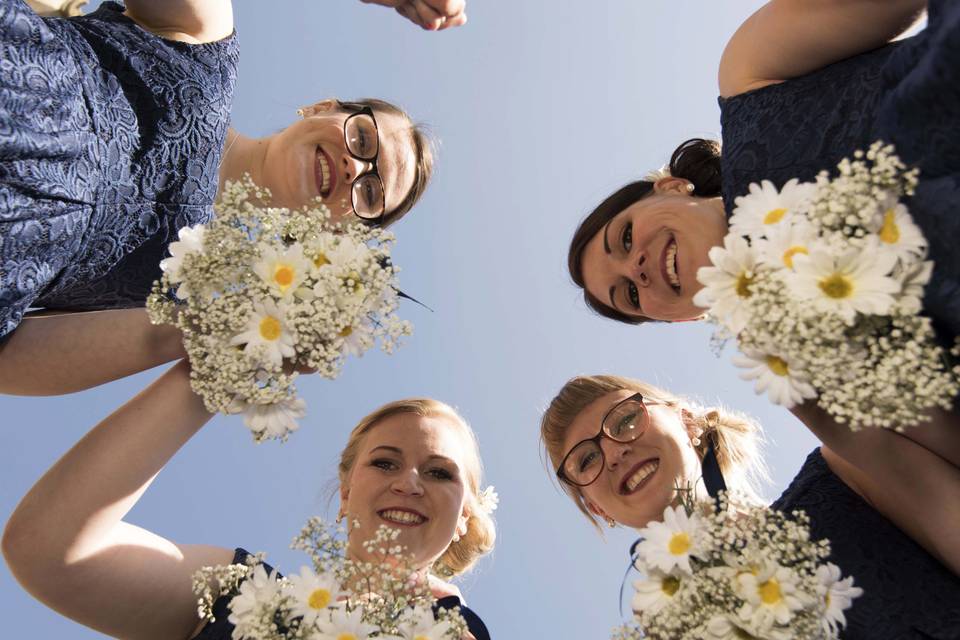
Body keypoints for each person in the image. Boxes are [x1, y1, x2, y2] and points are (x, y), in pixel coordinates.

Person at [0, 0, 466, 395]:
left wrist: (206, 330)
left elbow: (10, 360)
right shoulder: (204, 49)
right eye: (364, 141)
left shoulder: (180, 298)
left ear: (335, 229)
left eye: (370, 191)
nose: (354, 167)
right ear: (322, 108)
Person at [1, 360, 494, 639]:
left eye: (439, 473)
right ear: (345, 494)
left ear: (462, 519)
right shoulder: (235, 592)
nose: (409, 481)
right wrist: (221, 364)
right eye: (385, 462)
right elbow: (49, 549)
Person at [568, 0, 957, 341]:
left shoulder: (749, 77)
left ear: (672, 186)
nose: (635, 268)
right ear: (689, 317)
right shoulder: (819, 361)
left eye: (625, 236)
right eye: (631, 296)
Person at [540, 374, 960, 638]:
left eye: (625, 419)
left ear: (686, 420)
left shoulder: (848, 474)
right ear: (599, 510)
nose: (613, 453)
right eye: (587, 460)